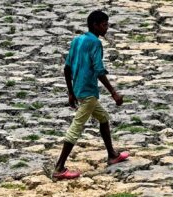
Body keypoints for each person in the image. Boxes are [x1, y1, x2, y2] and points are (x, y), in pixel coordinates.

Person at [52, 10, 129, 180]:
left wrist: (71, 92)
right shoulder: (95, 43)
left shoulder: (77, 40)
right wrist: (114, 93)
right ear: (95, 25)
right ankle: (59, 168)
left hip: (79, 90)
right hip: (88, 91)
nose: (106, 28)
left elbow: (67, 68)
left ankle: (112, 155)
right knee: (76, 127)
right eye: (104, 24)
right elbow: (99, 70)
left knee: (103, 117)